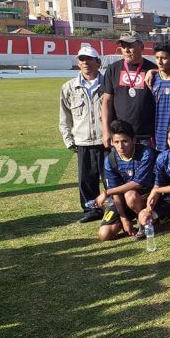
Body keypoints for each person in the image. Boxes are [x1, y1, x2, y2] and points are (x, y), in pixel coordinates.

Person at [59, 46, 105, 223]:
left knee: (109, 178)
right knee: (86, 179)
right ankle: (91, 210)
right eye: (82, 59)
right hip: (83, 140)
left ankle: (112, 209)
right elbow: (65, 117)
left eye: (89, 59)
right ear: (78, 63)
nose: (85, 63)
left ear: (98, 62)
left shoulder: (108, 83)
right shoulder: (69, 87)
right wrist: (68, 140)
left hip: (105, 140)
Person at [95, 120, 156, 241]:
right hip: (121, 201)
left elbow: (138, 184)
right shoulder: (110, 160)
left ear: (133, 140)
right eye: (116, 142)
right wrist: (123, 218)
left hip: (144, 196)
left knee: (130, 195)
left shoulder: (146, 153)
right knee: (104, 234)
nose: (120, 146)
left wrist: (107, 192)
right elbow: (116, 191)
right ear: (112, 142)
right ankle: (129, 219)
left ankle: (144, 222)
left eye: (124, 141)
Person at [101, 31, 158, 148]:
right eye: (123, 46)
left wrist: (155, 71)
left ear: (141, 47)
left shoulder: (152, 69)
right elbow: (106, 101)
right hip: (120, 136)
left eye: (130, 46)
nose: (126, 50)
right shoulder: (113, 69)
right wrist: (106, 131)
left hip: (146, 136)